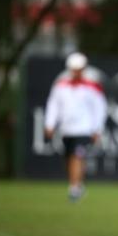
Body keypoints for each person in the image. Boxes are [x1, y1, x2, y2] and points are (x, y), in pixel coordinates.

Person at [44, 52, 107, 202]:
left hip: (84, 129)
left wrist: (97, 129)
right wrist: (50, 124)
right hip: (66, 129)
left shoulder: (92, 87)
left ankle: (74, 189)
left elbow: (100, 109)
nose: (76, 71)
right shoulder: (60, 86)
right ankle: (77, 184)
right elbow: (53, 106)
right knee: (69, 158)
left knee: (77, 156)